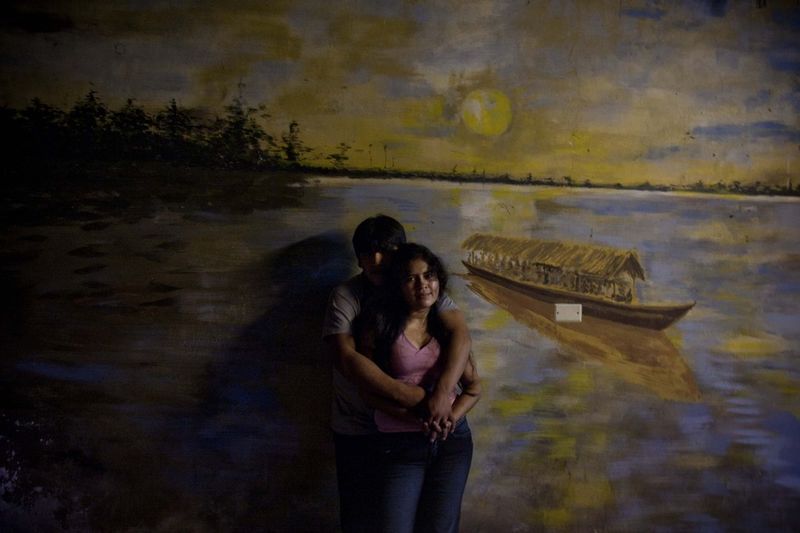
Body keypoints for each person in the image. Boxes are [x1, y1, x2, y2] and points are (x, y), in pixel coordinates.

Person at [322, 215, 472, 533]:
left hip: (419, 430)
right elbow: (347, 359)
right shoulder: (348, 296)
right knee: (361, 520)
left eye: (386, 250)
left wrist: (443, 397)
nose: (377, 259)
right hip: (358, 426)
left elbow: (461, 335)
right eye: (368, 252)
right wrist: (420, 399)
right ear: (358, 256)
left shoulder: (423, 290)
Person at [360, 243, 481, 533]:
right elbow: (368, 392)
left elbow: (473, 387)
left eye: (429, 276)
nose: (423, 285)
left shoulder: (447, 329)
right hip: (399, 445)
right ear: (397, 285)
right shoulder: (379, 326)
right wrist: (420, 417)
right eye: (411, 278)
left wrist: (448, 418)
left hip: (452, 443)